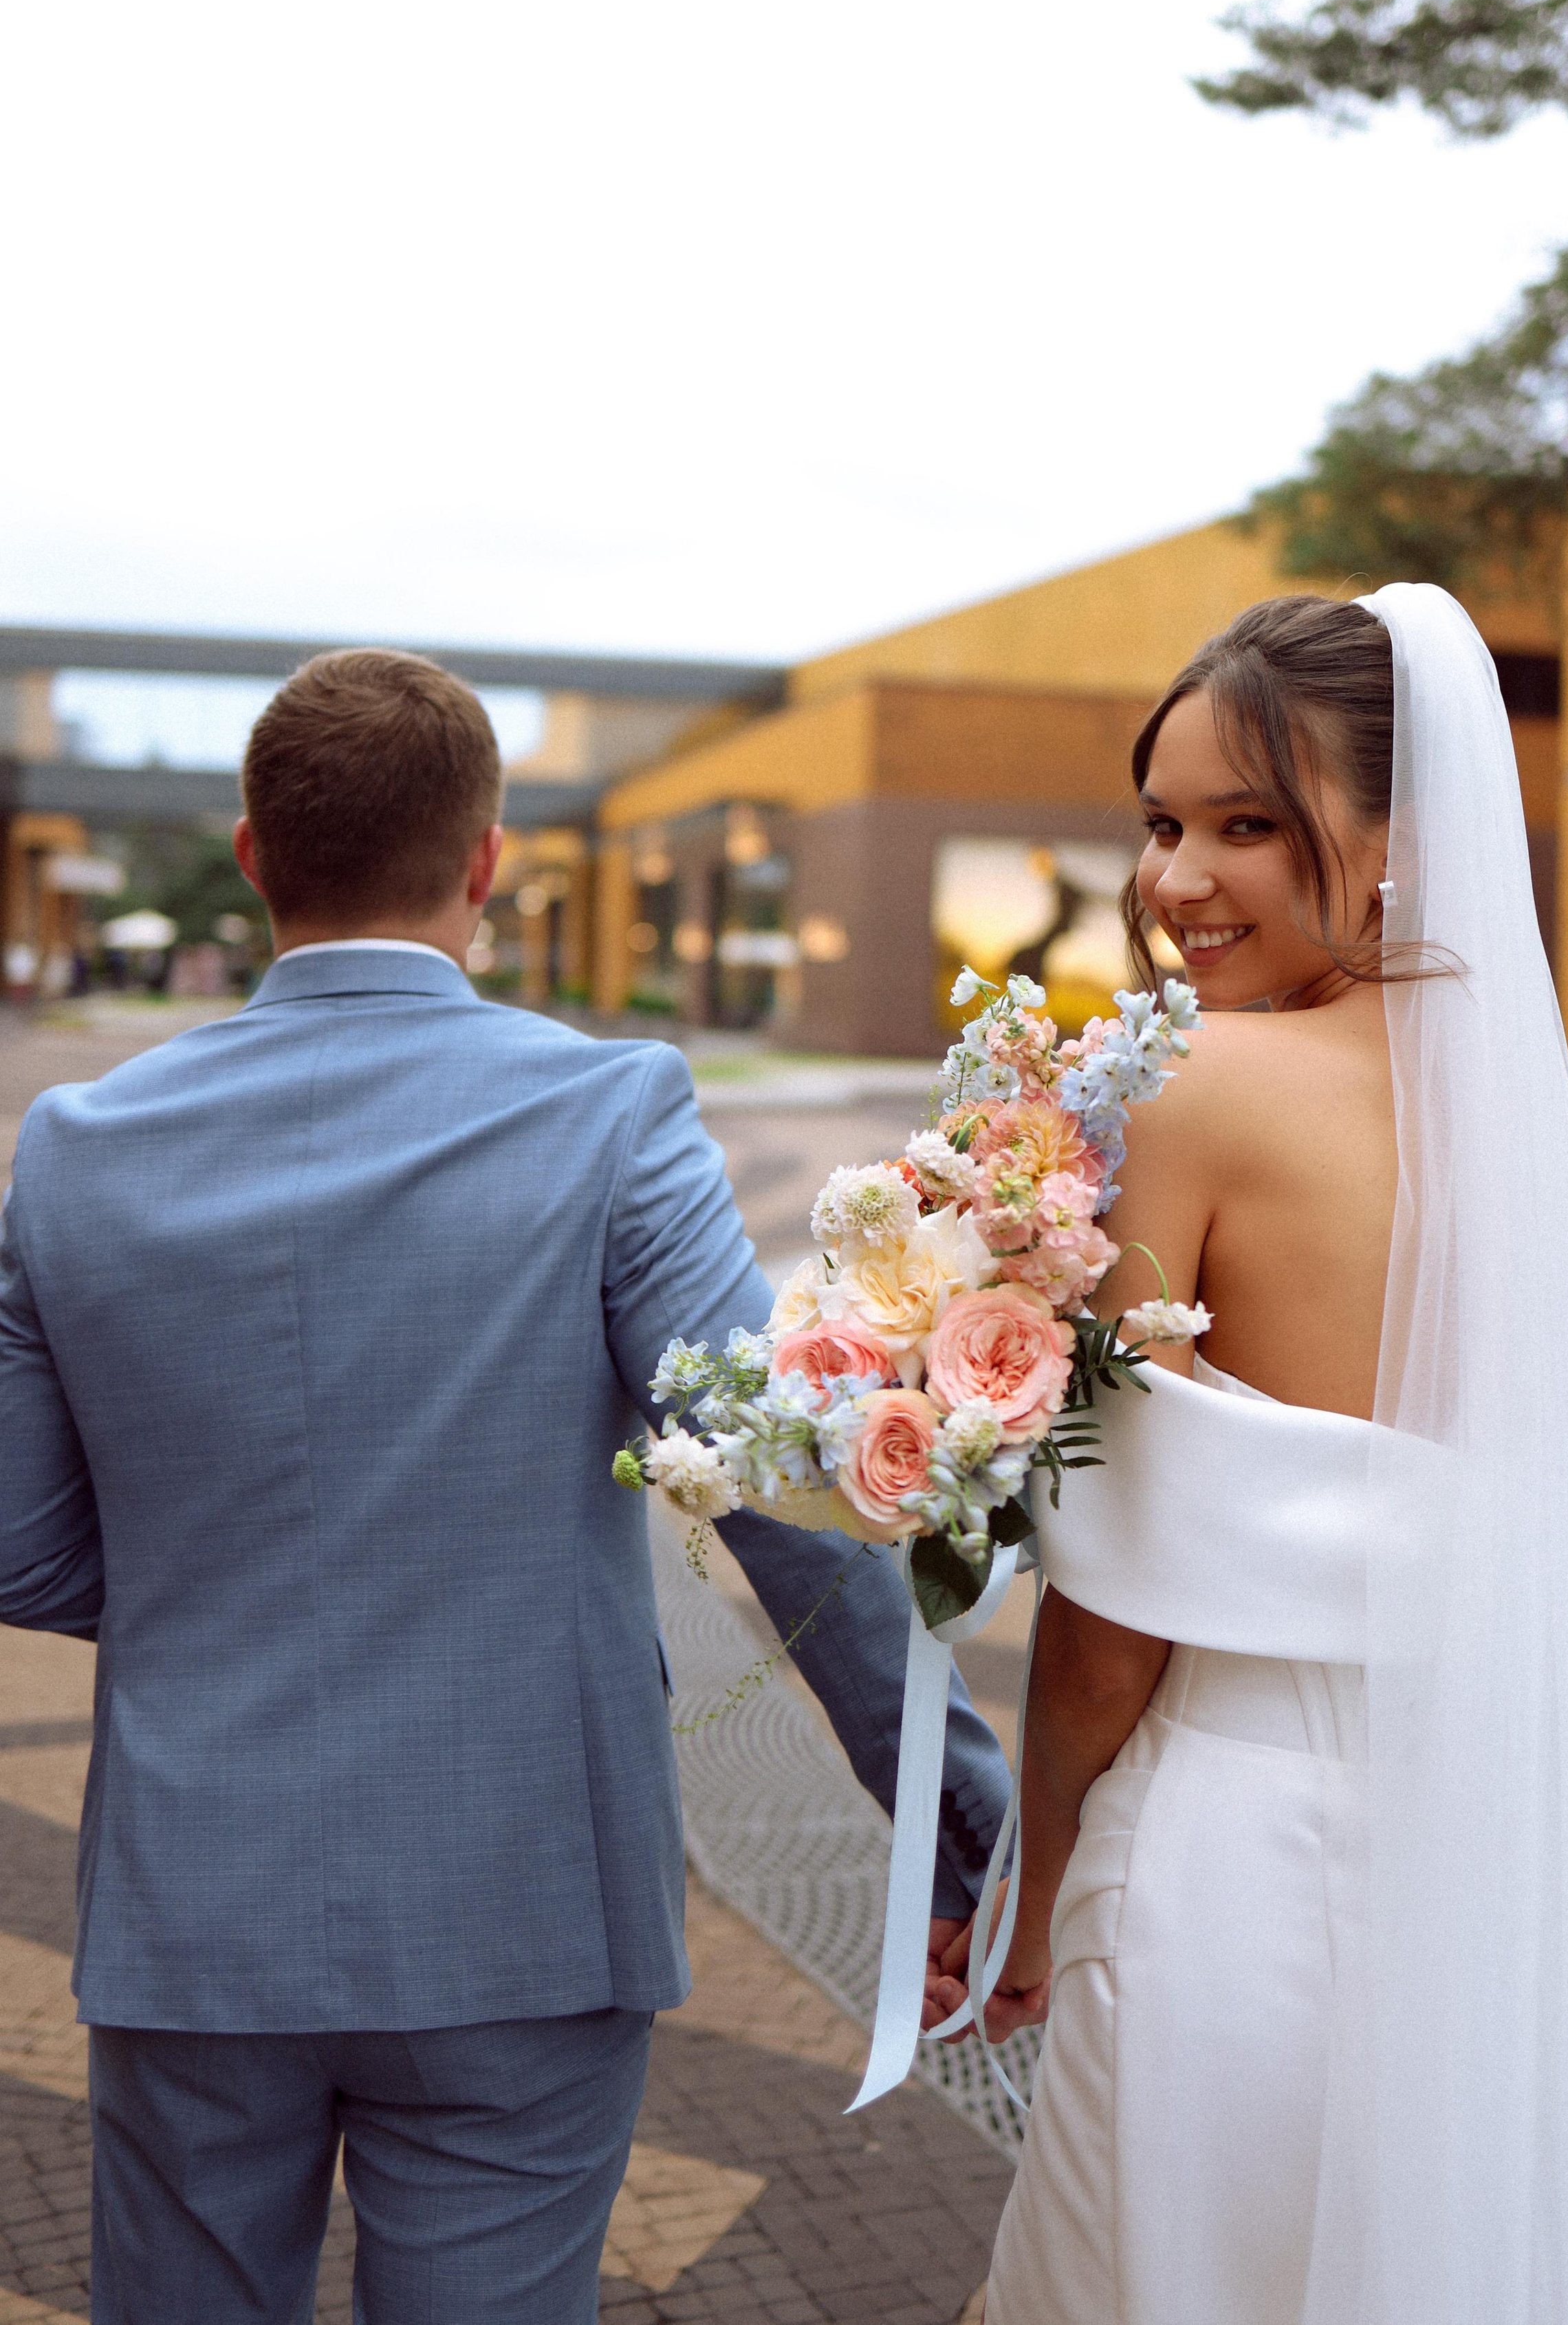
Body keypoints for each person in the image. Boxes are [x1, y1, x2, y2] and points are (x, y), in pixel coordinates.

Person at [0, 648, 1010, 2324]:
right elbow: (785, 1492)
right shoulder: (610, 1112)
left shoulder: (74, 1146)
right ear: (484, 861)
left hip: (195, 1891)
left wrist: (227, 1580)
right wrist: (969, 1833)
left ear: (253, 856)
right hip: (527, 1893)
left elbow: (20, 1548)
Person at [948, 589, 1568, 2322]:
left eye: (1246, 824)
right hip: (1490, 1873)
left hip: (1229, 1853)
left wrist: (1034, 1878)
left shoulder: (1186, 1087)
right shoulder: (1533, 1135)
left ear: (1400, 837)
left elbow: (1108, 1629)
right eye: (1161, 822)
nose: (1175, 880)